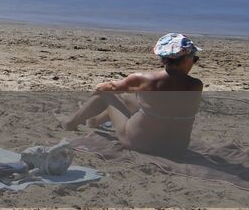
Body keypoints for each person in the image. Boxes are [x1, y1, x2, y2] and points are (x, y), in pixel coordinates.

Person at [63, 33, 203, 157]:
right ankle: (94, 121)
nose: (193, 63)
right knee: (131, 99)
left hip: (140, 144)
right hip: (176, 149)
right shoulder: (197, 85)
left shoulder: (145, 79)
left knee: (106, 95)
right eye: (194, 59)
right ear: (186, 60)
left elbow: (108, 88)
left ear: (163, 59)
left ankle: (71, 123)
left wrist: (99, 88)